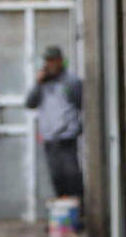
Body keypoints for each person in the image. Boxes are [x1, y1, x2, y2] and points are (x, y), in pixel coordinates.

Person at [25, 46, 84, 201]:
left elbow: (81, 105)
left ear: (60, 61)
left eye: (52, 61)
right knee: (57, 176)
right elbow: (30, 103)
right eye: (47, 61)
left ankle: (78, 211)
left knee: (72, 174)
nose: (49, 64)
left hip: (67, 137)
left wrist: (76, 127)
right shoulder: (43, 84)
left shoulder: (71, 82)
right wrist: (38, 84)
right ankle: (62, 213)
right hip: (50, 138)